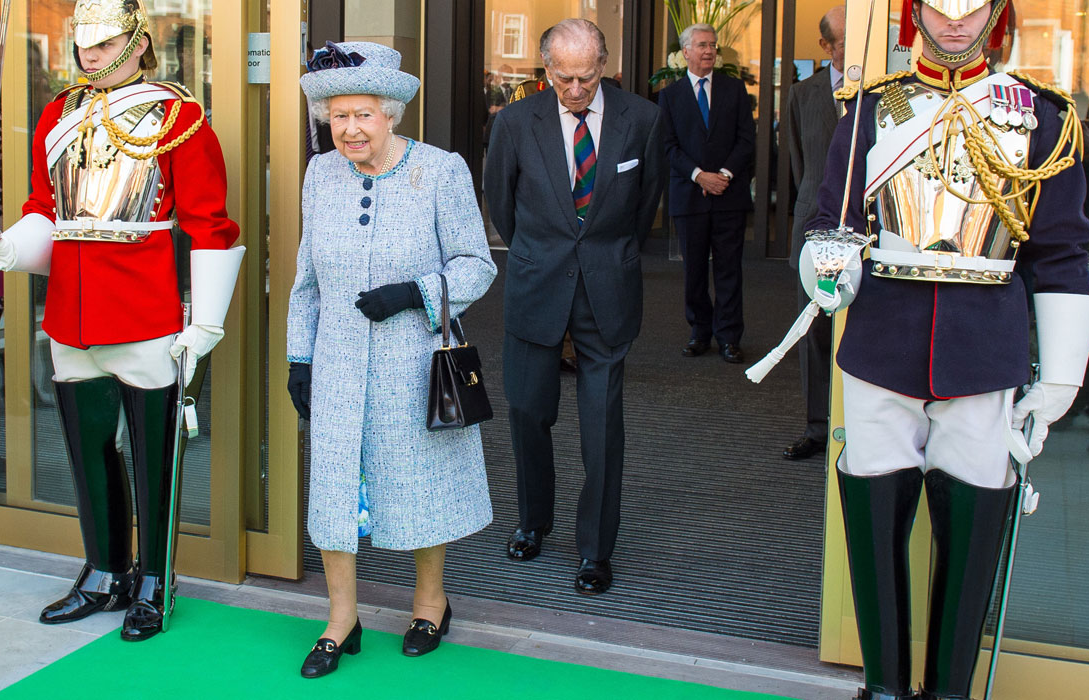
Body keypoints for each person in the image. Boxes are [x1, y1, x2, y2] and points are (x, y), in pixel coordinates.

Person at [805, 2, 1089, 698]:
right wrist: (823, 260)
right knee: (874, 523)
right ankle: (882, 689)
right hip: (883, 345)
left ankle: (948, 692)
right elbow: (833, 220)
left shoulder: (1042, 117)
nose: (957, 24)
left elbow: (1062, 253)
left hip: (982, 352)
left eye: (973, 9)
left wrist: (1058, 379)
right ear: (916, 12)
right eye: (941, 8)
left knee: (972, 529)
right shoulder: (872, 109)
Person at [0, 0, 244, 642]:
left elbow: (209, 223)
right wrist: (2, 250)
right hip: (70, 310)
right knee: (88, 452)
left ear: (138, 42)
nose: (90, 54)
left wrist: (204, 322)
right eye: (82, 42)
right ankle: (103, 569)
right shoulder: (57, 113)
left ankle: (154, 579)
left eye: (104, 41)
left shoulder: (181, 118)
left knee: (154, 456)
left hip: (146, 308)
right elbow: (44, 209)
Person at [286, 41, 497, 678]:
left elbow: (477, 265)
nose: (350, 128)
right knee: (333, 489)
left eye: (364, 115)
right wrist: (301, 356)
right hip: (339, 358)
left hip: (415, 358)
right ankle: (340, 618)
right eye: (338, 115)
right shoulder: (319, 174)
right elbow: (306, 279)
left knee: (417, 483)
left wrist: (415, 293)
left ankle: (430, 603)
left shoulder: (440, 170)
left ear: (391, 114)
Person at [484, 19, 664, 596]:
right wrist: (543, 253)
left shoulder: (643, 119)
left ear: (605, 64)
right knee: (529, 416)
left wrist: (602, 255)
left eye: (587, 77)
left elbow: (645, 209)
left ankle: (594, 550)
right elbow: (501, 206)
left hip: (608, 291)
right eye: (563, 78)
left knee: (602, 430)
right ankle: (533, 522)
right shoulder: (513, 123)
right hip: (537, 288)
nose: (576, 89)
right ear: (545, 71)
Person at [658, 23, 755, 364]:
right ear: (685, 52)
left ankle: (729, 337)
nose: (709, 51)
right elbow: (668, 146)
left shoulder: (735, 89)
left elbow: (747, 140)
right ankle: (700, 332)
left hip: (729, 195)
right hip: (690, 197)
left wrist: (723, 175)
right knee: (694, 272)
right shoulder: (670, 96)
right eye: (701, 45)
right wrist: (700, 176)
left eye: (713, 45)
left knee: (729, 270)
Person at [781, 6, 846, 460]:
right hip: (818, 232)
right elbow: (800, 164)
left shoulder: (890, 94)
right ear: (825, 47)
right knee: (815, 330)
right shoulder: (803, 95)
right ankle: (817, 428)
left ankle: (858, 425)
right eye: (845, 40)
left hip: (871, 234)